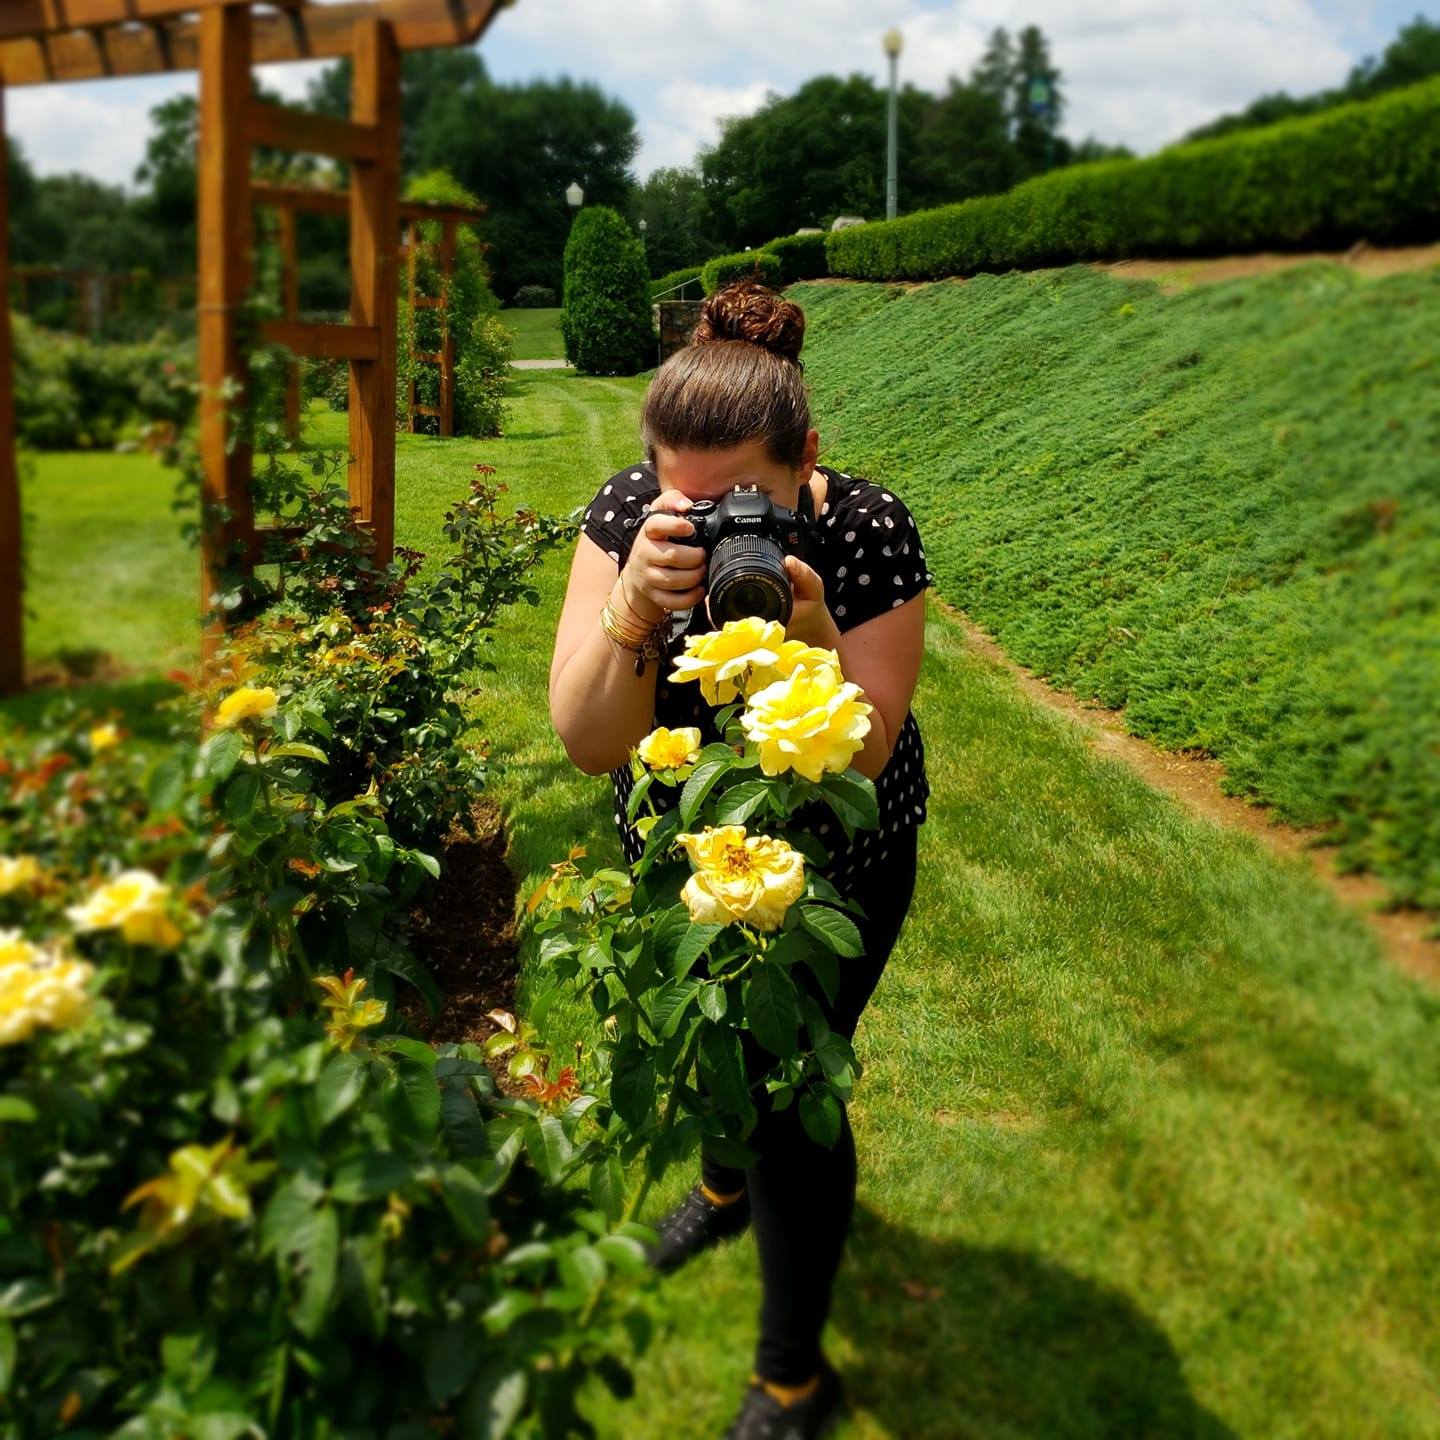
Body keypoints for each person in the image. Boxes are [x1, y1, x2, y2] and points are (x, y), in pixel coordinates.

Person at [548, 280, 931, 1439]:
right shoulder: (626, 516)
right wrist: (627, 615)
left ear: (809, 453)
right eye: (687, 502)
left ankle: (793, 1378)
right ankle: (722, 1188)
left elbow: (863, 758)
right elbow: (585, 741)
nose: (718, 530)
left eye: (745, 505)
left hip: (840, 864)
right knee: (715, 1056)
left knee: (792, 1093)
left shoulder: (865, 526)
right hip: (679, 846)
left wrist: (812, 633)